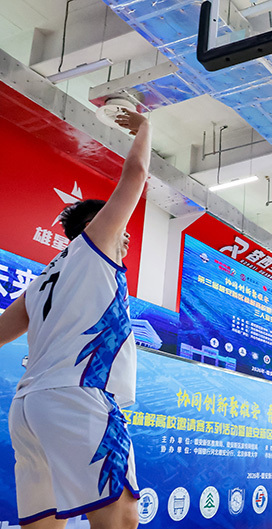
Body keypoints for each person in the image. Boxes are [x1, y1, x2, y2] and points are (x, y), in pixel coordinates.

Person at [0, 109, 149, 528]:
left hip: (28, 409)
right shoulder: (96, 246)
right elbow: (136, 174)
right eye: (123, 228)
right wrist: (145, 127)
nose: (127, 235)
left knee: (43, 524)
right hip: (76, 395)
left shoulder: (41, 281)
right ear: (103, 225)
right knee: (122, 515)